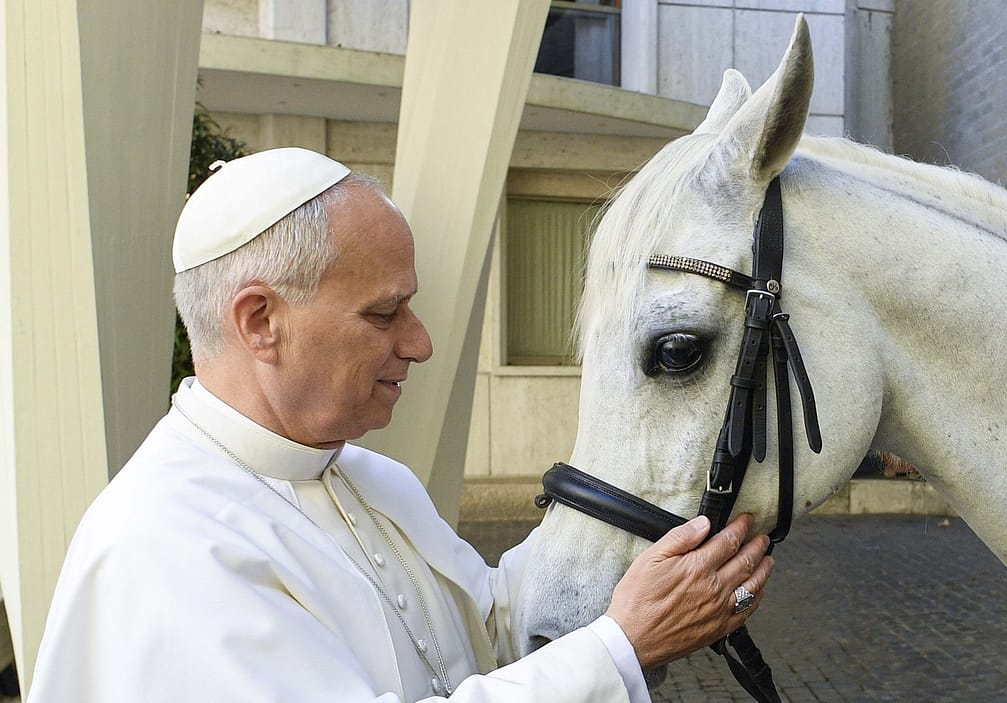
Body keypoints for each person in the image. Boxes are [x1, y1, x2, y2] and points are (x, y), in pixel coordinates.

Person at [28, 147, 774, 702]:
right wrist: (621, 645)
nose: (419, 342)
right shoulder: (158, 547)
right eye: (384, 312)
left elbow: (489, 630)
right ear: (261, 321)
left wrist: (623, 543)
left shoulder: (371, 477)